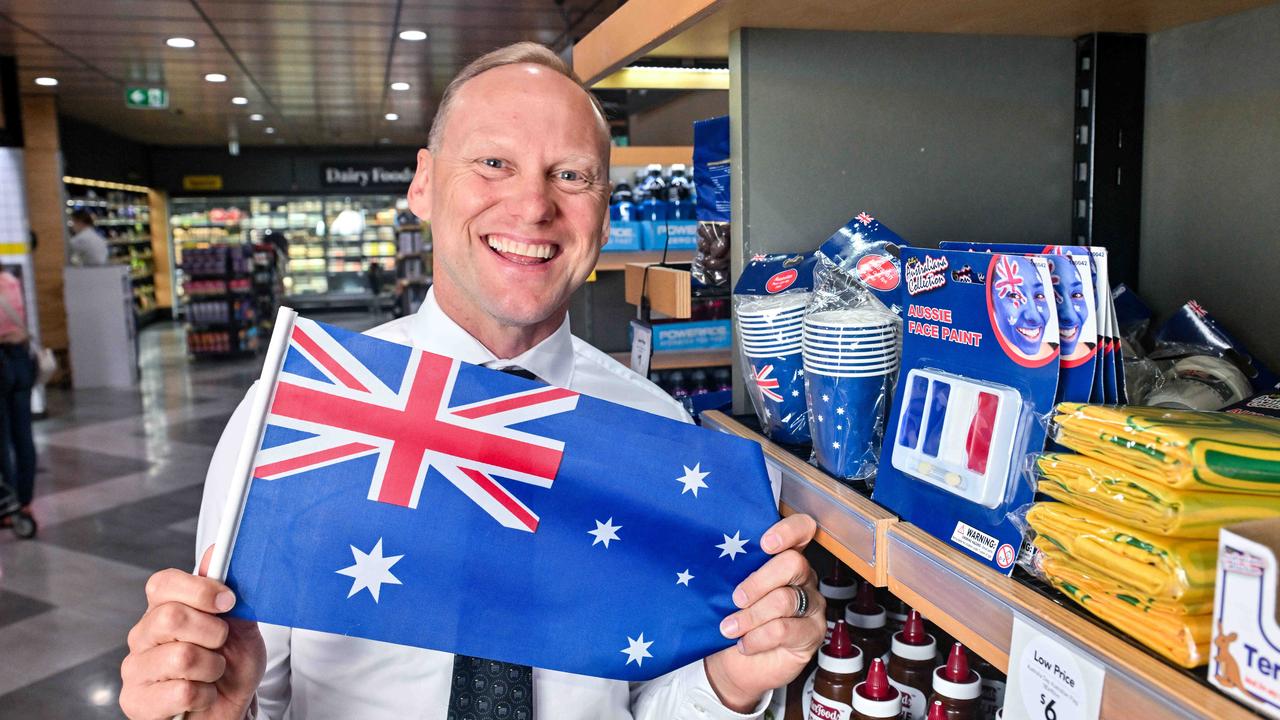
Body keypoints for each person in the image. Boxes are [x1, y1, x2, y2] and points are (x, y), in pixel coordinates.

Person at [118, 43, 825, 720]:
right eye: (493, 162)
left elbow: (650, 703)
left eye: (571, 175)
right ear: (423, 183)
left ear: (604, 212)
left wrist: (731, 679)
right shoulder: (299, 410)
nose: (531, 206)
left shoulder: (657, 435)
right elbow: (251, 691)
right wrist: (214, 706)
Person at [0, 267, 37, 530]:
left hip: (1, 363)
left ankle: (7, 504)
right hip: (21, 361)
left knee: (2, 439)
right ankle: (24, 500)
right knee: (23, 436)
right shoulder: (12, 281)